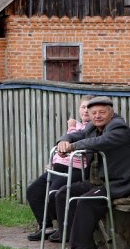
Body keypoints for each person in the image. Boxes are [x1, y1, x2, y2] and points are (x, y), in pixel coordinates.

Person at [54, 96, 130, 249]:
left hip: (121, 183)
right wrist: (64, 140)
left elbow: (99, 142)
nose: (97, 116)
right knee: (63, 194)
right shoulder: (91, 126)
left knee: (85, 202)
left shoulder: (119, 128)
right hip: (101, 181)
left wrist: (73, 147)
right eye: (93, 113)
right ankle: (78, 245)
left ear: (111, 113)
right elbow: (77, 134)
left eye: (102, 112)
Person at [25, 95, 93, 241]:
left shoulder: (92, 129)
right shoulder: (76, 126)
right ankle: (46, 227)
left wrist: (72, 127)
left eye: (89, 107)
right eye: (83, 107)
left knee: (53, 195)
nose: (86, 111)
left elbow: (79, 140)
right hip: (57, 167)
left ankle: (64, 230)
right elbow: (64, 144)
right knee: (33, 192)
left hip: (75, 169)